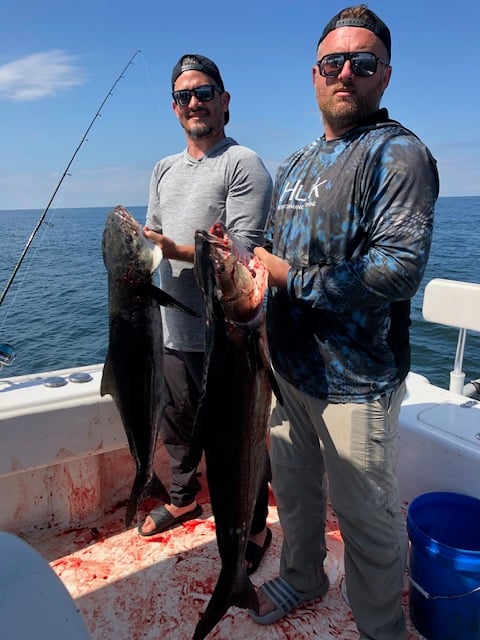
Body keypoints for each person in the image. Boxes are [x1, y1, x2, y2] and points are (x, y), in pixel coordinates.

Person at [249, 6, 439, 640]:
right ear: (315, 74)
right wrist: (245, 263)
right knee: (296, 498)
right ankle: (304, 578)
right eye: (334, 62)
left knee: (366, 520)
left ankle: (380, 628)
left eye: (363, 63)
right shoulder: (299, 161)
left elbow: (397, 271)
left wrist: (286, 278)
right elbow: (276, 249)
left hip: (356, 383)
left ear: (385, 76)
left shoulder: (399, 153)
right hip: (290, 371)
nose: (346, 73)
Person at [137, 53, 273, 575]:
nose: (194, 102)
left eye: (203, 92)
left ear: (224, 100)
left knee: (235, 437)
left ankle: (254, 525)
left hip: (231, 339)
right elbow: (155, 236)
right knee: (177, 423)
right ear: (174, 109)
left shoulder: (243, 164)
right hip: (172, 328)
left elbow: (243, 253)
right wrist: (145, 249)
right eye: (183, 96)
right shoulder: (163, 169)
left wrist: (174, 250)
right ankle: (183, 497)